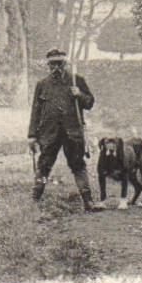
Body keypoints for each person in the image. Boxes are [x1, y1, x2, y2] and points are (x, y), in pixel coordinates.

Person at [27, 47, 98, 211]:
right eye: (52, 65)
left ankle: (88, 200)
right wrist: (32, 135)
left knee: (78, 165)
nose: (56, 68)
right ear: (48, 66)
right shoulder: (42, 85)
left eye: (59, 64)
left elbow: (89, 103)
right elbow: (35, 111)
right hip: (49, 133)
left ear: (65, 63)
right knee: (44, 167)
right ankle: (35, 198)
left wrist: (79, 94)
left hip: (72, 132)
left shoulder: (76, 80)